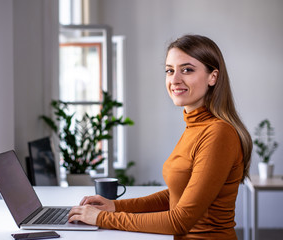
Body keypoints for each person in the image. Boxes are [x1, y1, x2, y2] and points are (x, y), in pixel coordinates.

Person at [68, 34, 252, 240]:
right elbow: (176, 195)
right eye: (169, 71)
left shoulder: (218, 134)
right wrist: (115, 206)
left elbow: (180, 220)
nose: (174, 80)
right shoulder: (196, 126)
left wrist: (102, 218)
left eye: (187, 70)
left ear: (213, 77)